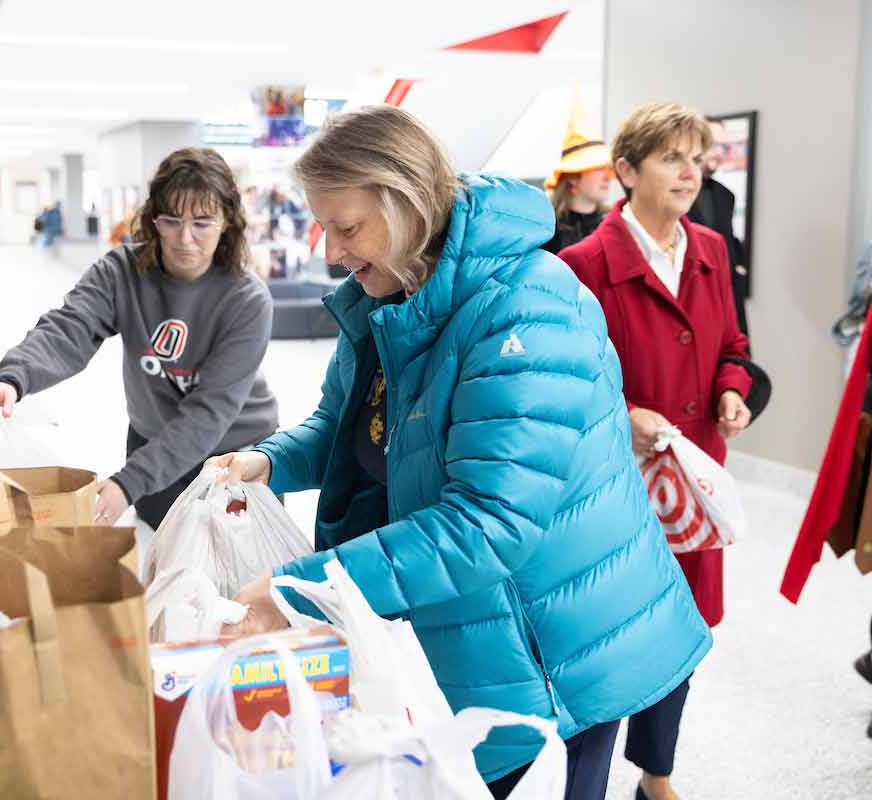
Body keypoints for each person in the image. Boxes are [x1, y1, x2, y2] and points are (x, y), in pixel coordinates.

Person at [208, 105, 711, 799]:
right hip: (481, 626)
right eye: (324, 226)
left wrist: (299, 589)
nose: (330, 252)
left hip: (562, 642)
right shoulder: (391, 293)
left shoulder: (526, 309)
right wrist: (265, 461)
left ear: (409, 204)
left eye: (347, 227)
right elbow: (349, 426)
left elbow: (488, 524)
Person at [558, 102, 753, 800]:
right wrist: (623, 412)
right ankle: (585, 788)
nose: (691, 172)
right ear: (625, 170)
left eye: (697, 159)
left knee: (682, 635)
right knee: (607, 648)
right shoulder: (581, 266)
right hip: (613, 490)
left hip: (693, 486)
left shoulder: (710, 250)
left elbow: (733, 346)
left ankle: (657, 775)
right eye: (673, 157)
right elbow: (562, 384)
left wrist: (734, 390)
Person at [0, 148, 278, 530]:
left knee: (236, 570)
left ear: (227, 222)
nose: (184, 238)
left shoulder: (246, 299)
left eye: (202, 223)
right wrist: (13, 378)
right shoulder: (121, 272)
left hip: (237, 455)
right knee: (160, 560)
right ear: (152, 220)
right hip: (156, 445)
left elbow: (208, 413)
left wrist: (128, 483)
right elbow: (70, 329)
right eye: (171, 220)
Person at [688, 119, 750, 336]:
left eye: (724, 147)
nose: (720, 153)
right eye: (714, 145)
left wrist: (739, 265)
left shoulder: (725, 196)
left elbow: (728, 241)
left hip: (726, 303)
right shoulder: (674, 195)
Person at [541, 94, 614, 254]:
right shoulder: (546, 232)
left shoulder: (616, 225)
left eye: (607, 167)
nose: (608, 176)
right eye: (597, 167)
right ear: (572, 176)